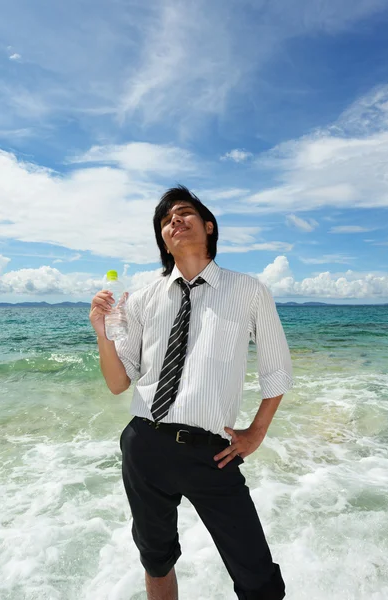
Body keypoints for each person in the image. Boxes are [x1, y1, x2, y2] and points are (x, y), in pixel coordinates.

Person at [89, 185, 294, 600]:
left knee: (258, 576)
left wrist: (256, 433)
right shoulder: (143, 299)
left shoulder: (249, 290)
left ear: (209, 226)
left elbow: (277, 371)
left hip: (211, 453)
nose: (174, 222)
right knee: (156, 558)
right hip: (145, 444)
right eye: (165, 221)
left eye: (183, 214)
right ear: (163, 240)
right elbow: (117, 383)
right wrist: (101, 333)